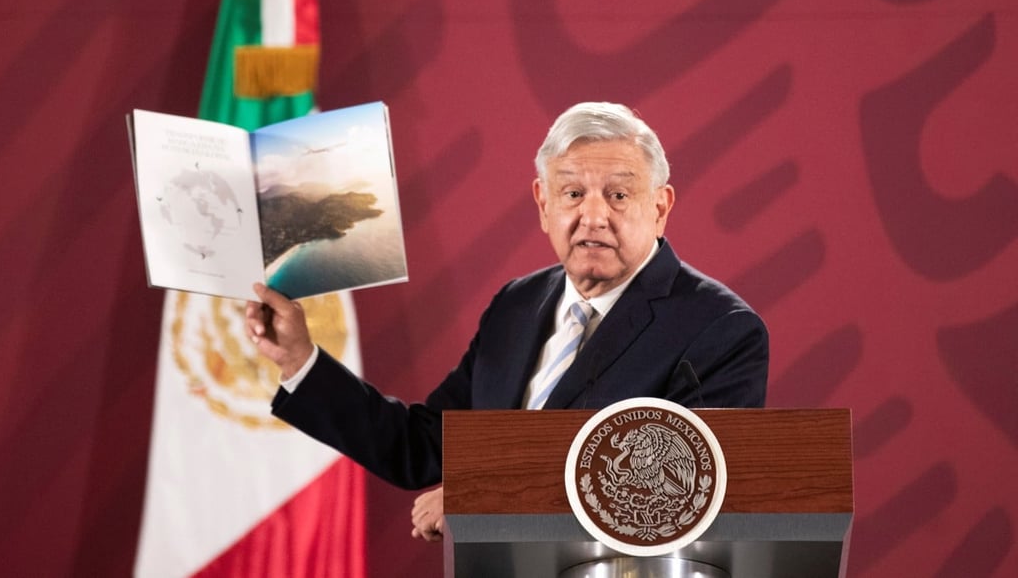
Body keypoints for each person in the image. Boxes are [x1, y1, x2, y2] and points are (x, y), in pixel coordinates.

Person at [245, 101, 768, 542]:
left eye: (618, 194)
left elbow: (682, 494)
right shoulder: (516, 307)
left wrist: (487, 498)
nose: (592, 216)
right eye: (571, 193)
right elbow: (425, 447)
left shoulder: (721, 329)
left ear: (660, 207)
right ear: (543, 205)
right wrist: (299, 361)